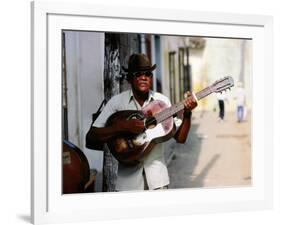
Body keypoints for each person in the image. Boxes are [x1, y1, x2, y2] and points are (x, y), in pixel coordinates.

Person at [86, 53, 197, 191]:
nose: (144, 77)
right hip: (127, 184)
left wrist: (187, 113)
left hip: (158, 181)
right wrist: (123, 127)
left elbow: (180, 138)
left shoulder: (162, 103)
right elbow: (92, 135)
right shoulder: (117, 103)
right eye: (138, 74)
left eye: (148, 73)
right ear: (129, 78)